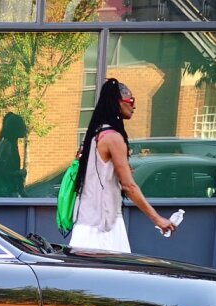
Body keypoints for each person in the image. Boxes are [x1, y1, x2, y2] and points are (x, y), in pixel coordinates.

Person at [70, 78, 176, 251]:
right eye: (131, 101)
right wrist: (158, 219)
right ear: (118, 102)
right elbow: (129, 186)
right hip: (104, 227)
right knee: (115, 276)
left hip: (85, 222)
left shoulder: (94, 135)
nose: (134, 106)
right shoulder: (113, 138)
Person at [0, 112, 28, 197]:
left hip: (5, 195)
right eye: (22, 127)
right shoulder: (6, 145)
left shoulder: (12, 144)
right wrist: (19, 173)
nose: (25, 129)